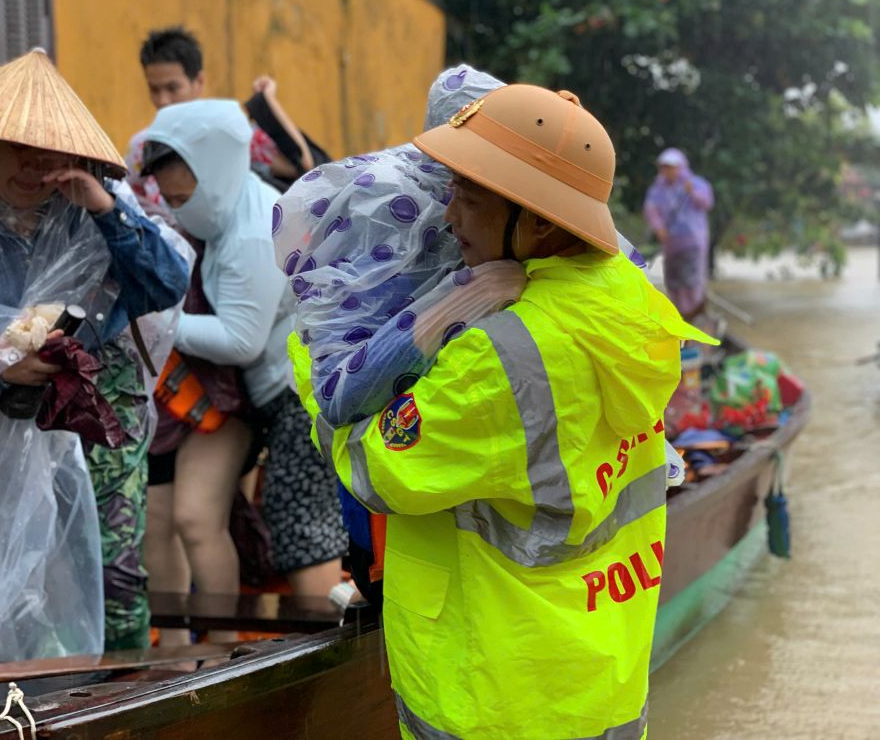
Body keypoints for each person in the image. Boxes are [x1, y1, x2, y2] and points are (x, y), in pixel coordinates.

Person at [288, 85, 715, 738]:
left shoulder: (503, 354)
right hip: (598, 678)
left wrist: (318, 349)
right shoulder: (626, 298)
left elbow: (376, 471)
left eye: (469, 196)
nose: (448, 213)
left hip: (492, 693)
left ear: (540, 221)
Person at [0, 49, 190, 660]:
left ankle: (123, 701)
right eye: (16, 147)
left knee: (113, 573)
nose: (34, 166)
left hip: (97, 421)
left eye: (48, 150)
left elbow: (165, 285)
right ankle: (11, 707)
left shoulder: (96, 212)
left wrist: (105, 209)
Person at [140, 99, 346, 650]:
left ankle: (337, 655)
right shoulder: (235, 207)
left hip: (298, 392)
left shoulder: (252, 232)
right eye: (172, 201)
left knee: (298, 522)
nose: (180, 212)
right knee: (279, 520)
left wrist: (164, 325)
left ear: (215, 171)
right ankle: (235, 646)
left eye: (187, 197)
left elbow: (240, 339)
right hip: (279, 390)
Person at [127, 26, 320, 221]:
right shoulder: (141, 148)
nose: (163, 100)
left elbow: (299, 164)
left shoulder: (227, 134)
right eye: (154, 89)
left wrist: (268, 102)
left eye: (173, 88)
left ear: (199, 82)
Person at [644, 147, 715, 319]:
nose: (668, 171)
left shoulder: (696, 184)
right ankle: (677, 315)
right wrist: (659, 227)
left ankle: (695, 314)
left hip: (692, 241)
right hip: (671, 244)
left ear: (681, 166)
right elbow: (651, 209)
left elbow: (707, 203)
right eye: (664, 167)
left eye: (672, 167)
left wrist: (693, 193)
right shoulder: (657, 189)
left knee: (691, 280)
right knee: (674, 281)